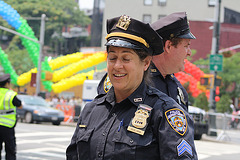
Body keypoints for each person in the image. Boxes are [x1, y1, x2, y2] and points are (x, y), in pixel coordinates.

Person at [66, 15, 197, 160]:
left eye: (126, 59)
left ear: (146, 63)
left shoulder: (163, 112)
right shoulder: (91, 111)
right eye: (112, 58)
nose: (117, 66)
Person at [98, 12, 195, 112]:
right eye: (186, 46)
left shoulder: (174, 85)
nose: (189, 52)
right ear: (168, 46)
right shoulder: (130, 78)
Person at [0, 74, 22, 160]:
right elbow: (20, 105)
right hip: (7, 126)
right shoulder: (10, 94)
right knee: (10, 150)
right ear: (7, 84)